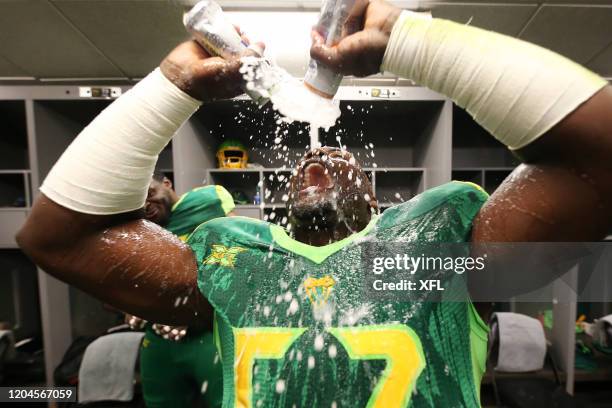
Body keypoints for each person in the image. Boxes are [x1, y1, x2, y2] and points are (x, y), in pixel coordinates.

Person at [16, 0, 612, 406]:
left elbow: (599, 158)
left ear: (377, 200)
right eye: (300, 164)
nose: (316, 158)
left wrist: (409, 43)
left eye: (344, 159)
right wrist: (171, 85)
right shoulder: (235, 262)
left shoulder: (425, 254)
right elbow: (57, 236)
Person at [126, 172, 233, 408]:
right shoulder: (138, 228)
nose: (146, 204)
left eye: (151, 193)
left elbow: (240, 236)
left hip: (207, 331)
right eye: (139, 201)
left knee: (227, 402)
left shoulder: (206, 201)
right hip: (159, 336)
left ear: (167, 183)